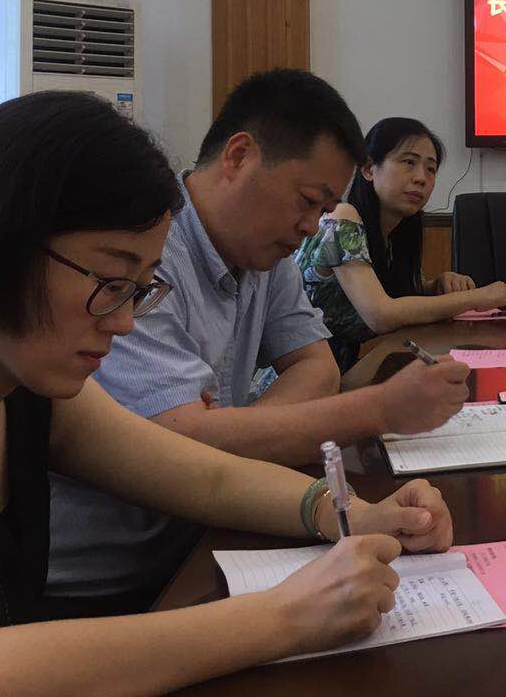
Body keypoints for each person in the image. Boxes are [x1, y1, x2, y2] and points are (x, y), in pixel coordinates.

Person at [0, 91, 453, 691]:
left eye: (140, 289)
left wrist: (358, 514)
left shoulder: (31, 390)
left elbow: (207, 477)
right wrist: (287, 616)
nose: (125, 322)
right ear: (0, 240)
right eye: (111, 282)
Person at [49, 70, 470, 613]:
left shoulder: (260, 251)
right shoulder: (146, 248)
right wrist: (378, 409)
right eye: (308, 201)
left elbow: (308, 376)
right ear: (239, 156)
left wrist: (238, 435)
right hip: (111, 584)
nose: (311, 227)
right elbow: (189, 447)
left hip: (204, 538)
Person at [296, 117, 506, 371]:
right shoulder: (342, 218)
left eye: (431, 169)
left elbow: (397, 292)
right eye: (408, 162)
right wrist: (475, 298)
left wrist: (435, 285)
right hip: (296, 382)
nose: (421, 178)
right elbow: (381, 314)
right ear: (369, 169)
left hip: (341, 374)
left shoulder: (395, 233)